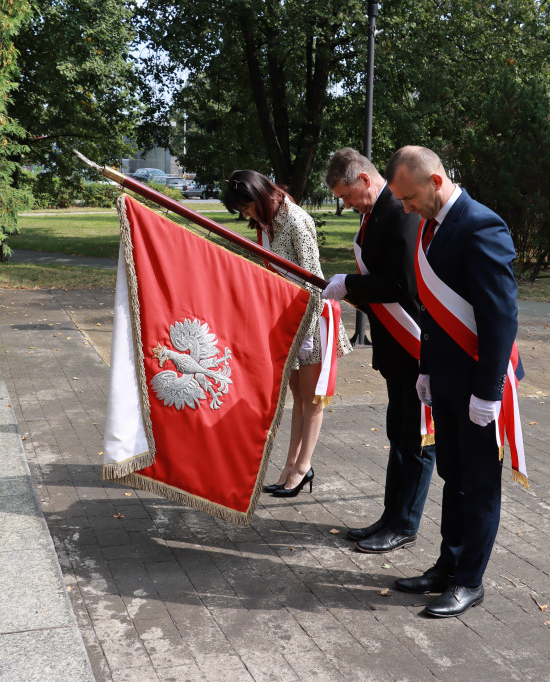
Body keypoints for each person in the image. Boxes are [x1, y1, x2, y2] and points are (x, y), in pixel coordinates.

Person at [385, 145, 522, 617]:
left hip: (477, 381)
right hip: (443, 376)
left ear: (436, 182)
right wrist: (424, 367)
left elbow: (499, 317)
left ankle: (470, 581)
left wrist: (489, 392)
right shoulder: (431, 226)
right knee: (453, 477)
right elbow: (431, 312)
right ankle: (447, 565)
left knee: (479, 482)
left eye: (409, 197)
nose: (405, 208)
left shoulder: (483, 224)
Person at [320, 148, 437, 554]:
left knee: (416, 438)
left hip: (414, 347)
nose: (347, 205)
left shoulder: (400, 213)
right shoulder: (376, 212)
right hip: (394, 347)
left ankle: (404, 524)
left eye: (349, 196)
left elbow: (401, 285)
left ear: (366, 181)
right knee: (398, 433)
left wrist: (349, 285)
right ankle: (391, 516)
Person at [223, 169, 352, 497]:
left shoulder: (295, 220)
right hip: (289, 321)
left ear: (260, 195)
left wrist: (307, 331)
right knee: (298, 397)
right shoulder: (269, 223)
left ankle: (302, 467)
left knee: (313, 399)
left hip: (313, 321)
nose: (245, 214)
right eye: (241, 210)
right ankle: (290, 465)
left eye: (247, 207)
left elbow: (312, 279)